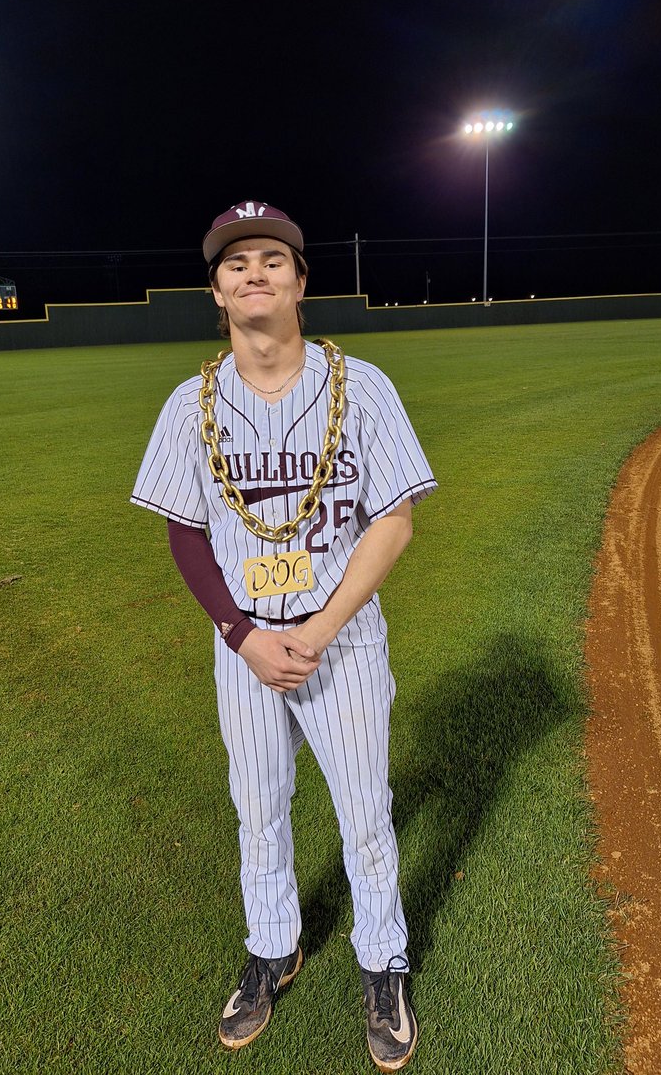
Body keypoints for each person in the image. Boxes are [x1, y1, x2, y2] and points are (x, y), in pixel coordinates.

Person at [130, 200, 437, 1072]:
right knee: (259, 811)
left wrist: (319, 625)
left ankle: (383, 961)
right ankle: (275, 947)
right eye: (236, 264)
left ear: (302, 282)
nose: (253, 272)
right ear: (217, 294)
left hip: (342, 641)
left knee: (364, 812)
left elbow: (396, 518)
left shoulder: (362, 385)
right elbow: (184, 531)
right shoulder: (192, 404)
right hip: (247, 651)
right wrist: (242, 634)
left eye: (272, 259)